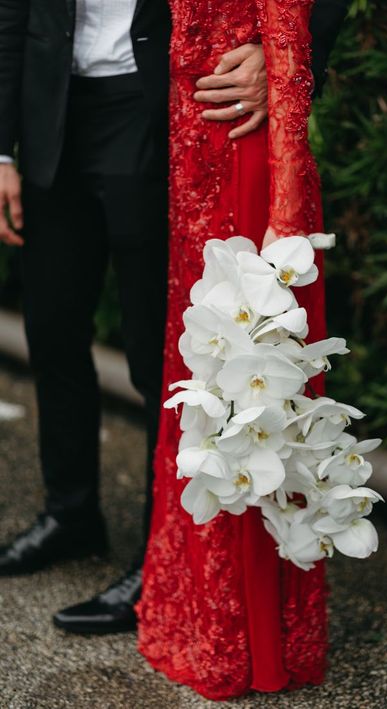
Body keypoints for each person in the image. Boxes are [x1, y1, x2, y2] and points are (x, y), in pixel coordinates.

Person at [0, 0, 349, 636]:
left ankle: (158, 558)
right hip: (51, 103)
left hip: (167, 106)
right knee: (51, 328)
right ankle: (70, 514)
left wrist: (292, 60)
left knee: (156, 351)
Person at [137, 0, 348, 699]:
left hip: (243, 156)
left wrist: (284, 217)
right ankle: (203, 606)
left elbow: (286, 33)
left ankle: (258, 634)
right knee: (198, 372)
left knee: (244, 369)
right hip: (190, 151)